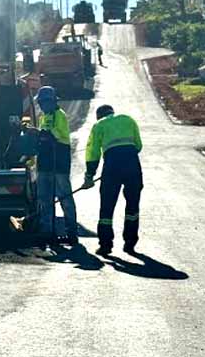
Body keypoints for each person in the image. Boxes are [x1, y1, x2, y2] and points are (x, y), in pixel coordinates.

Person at [81, 104, 142, 256]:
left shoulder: (99, 125)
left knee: (107, 207)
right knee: (132, 206)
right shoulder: (128, 120)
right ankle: (130, 243)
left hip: (112, 167)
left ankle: (106, 245)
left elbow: (92, 153)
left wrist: (90, 175)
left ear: (99, 116)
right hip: (133, 165)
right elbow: (138, 146)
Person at [32, 86, 77, 246]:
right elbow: (44, 135)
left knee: (64, 198)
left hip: (59, 163)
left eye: (45, 102)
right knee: (45, 199)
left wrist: (39, 134)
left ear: (52, 101)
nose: (43, 106)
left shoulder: (60, 115)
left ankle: (71, 232)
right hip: (45, 164)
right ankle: (47, 232)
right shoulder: (44, 117)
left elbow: (56, 135)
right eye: (41, 103)